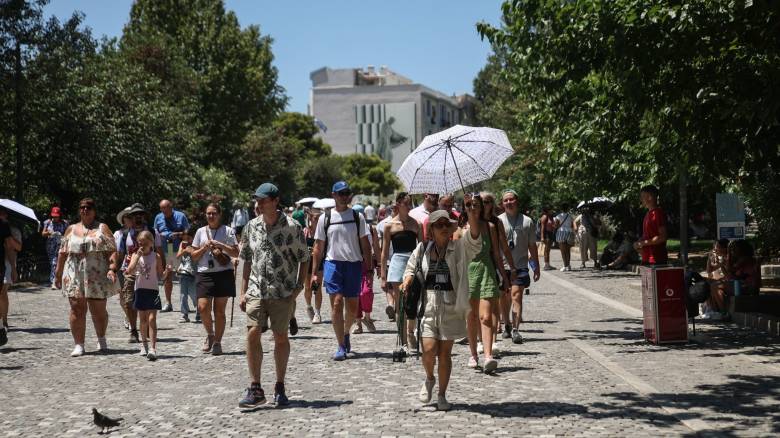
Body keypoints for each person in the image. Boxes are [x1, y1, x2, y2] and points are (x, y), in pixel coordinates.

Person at [400, 202, 482, 410]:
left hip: (451, 307)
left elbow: (475, 241)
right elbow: (411, 268)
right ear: (431, 230)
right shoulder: (422, 249)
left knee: (444, 354)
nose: (444, 228)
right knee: (428, 350)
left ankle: (442, 395)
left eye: (447, 224)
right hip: (428, 306)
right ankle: (429, 378)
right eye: (439, 224)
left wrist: (473, 215)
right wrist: (407, 279)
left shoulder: (459, 248)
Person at [238, 183, 310, 407]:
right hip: (256, 289)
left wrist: (298, 287)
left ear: (275, 201)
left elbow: (304, 258)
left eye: (263, 200)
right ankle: (255, 388)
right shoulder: (251, 227)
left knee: (280, 337)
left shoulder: (292, 227)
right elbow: (247, 259)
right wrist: (242, 292)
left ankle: (279, 385)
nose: (258, 204)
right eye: (257, 200)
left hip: (283, 291)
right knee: (252, 334)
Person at [311, 181, 372, 361]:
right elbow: (318, 247)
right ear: (334, 195)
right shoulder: (326, 218)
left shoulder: (357, 217)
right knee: (337, 303)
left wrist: (368, 268)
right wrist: (314, 272)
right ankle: (340, 345)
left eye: (347, 193)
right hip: (333, 264)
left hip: (354, 265)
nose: (345, 196)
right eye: (341, 193)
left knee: (352, 307)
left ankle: (346, 333)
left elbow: (365, 245)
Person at [55, 198, 118, 357]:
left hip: (96, 275)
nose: (85, 210)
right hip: (74, 274)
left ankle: (101, 338)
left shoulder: (102, 228)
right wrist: (57, 273)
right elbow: (62, 253)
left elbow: (112, 250)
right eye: (82, 207)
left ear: (94, 210)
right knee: (77, 308)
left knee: (98, 311)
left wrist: (112, 268)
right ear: (79, 210)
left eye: (88, 207)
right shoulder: (70, 229)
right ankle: (79, 344)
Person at [462, 195, 509, 372]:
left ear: (481, 207)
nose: (472, 207)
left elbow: (496, 253)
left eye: (475, 204)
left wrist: (504, 276)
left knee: (486, 316)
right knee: (472, 317)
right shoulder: (460, 229)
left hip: (487, 272)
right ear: (464, 207)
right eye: (468, 205)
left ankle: (488, 355)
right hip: (468, 274)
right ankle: (473, 354)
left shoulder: (490, 227)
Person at [111, 204, 164, 344]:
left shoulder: (153, 232)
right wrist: (114, 270)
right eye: (135, 215)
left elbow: (159, 251)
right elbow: (120, 253)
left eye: (141, 214)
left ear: (144, 216)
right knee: (128, 301)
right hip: (129, 270)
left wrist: (162, 269)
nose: (138, 217)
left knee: (146, 301)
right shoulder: (124, 234)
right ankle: (133, 330)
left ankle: (146, 329)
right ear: (131, 217)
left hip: (147, 271)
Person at [191, 203, 239, 356]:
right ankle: (210, 335)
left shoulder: (228, 231)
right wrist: (204, 248)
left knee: (219, 311)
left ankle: (217, 341)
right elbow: (193, 256)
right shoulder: (200, 232)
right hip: (204, 273)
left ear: (219, 214)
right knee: (203, 307)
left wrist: (220, 245)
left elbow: (236, 252)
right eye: (208, 213)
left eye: (214, 213)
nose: (211, 216)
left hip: (223, 273)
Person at [498, 189, 540, 344]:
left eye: (511, 199)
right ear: (502, 204)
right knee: (504, 297)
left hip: (520, 265)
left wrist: (536, 266)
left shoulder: (527, 221)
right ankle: (507, 324)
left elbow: (532, 246)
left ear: (517, 201)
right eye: (505, 200)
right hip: (502, 266)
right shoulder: (498, 221)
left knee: (516, 295)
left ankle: (516, 330)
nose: (509, 202)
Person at [380, 193, 422, 347]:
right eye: (406, 203)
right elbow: (384, 252)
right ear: (398, 204)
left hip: (413, 262)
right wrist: (383, 275)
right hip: (397, 263)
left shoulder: (416, 224)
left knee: (413, 301)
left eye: (410, 203)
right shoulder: (389, 226)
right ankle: (403, 340)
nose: (409, 206)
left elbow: (422, 247)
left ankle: (411, 332)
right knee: (400, 304)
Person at [480, 191, 516, 342]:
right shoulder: (472, 222)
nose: (485, 205)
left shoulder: (496, 222)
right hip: (476, 266)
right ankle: (481, 338)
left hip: (494, 264)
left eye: (488, 201)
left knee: (495, 301)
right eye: (482, 202)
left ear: (492, 204)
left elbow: (504, 247)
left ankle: (492, 338)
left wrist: (512, 267)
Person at [127, 231, 164, 360]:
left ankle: (153, 348)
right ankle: (144, 345)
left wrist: (168, 271)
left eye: (145, 243)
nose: (142, 245)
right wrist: (137, 257)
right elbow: (129, 270)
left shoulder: (156, 256)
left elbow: (161, 275)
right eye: (140, 243)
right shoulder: (135, 255)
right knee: (142, 321)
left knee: (152, 319)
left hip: (152, 290)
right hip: (140, 290)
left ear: (151, 243)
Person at [706, 240, 761, 319]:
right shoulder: (740, 259)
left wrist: (728, 256)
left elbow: (730, 272)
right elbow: (730, 275)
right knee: (710, 283)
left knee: (715, 286)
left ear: (742, 249)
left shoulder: (745, 259)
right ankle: (716, 311)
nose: (733, 251)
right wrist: (711, 259)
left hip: (748, 286)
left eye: (734, 249)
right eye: (731, 249)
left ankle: (724, 312)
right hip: (742, 284)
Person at [154, 199, 190, 312]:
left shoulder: (181, 216)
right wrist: (160, 236)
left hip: (180, 249)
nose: (163, 211)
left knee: (184, 275)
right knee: (167, 275)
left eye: (166, 208)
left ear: (171, 207)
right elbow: (154, 232)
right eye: (161, 208)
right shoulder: (158, 217)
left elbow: (188, 231)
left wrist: (178, 234)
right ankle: (168, 303)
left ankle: (185, 303)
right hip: (165, 250)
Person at [351, 204, 379, 335]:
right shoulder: (349, 228)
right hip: (353, 263)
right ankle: (358, 323)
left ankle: (367, 318)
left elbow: (376, 248)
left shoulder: (371, 229)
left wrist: (379, 265)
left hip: (367, 264)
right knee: (355, 293)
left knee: (366, 292)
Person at [635, 185, 668, 265]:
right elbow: (648, 235)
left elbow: (663, 237)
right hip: (647, 258)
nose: (641, 199)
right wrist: (638, 242)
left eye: (643, 196)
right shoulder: (648, 214)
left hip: (656, 259)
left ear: (650, 197)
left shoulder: (657, 214)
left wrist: (643, 243)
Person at [303, 207, 324, 323]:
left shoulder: (322, 232)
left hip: (319, 261)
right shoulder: (305, 232)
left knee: (317, 287)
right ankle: (308, 306)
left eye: (319, 218)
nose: (318, 220)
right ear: (311, 218)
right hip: (307, 262)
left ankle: (317, 313)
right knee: (307, 288)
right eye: (316, 218)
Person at [1, 216, 21, 332]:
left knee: (2, 291)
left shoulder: (12, 230)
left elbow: (17, 247)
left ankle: (4, 321)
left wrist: (13, 269)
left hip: (6, 263)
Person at [42, 206, 68, 289]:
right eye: (53, 216)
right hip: (50, 246)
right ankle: (54, 281)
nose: (55, 218)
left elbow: (69, 234)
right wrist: (49, 233)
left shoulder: (65, 223)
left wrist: (62, 236)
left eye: (56, 216)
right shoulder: (48, 222)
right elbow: (43, 233)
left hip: (61, 245)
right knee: (53, 263)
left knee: (58, 263)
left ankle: (56, 281)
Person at [176, 229, 199, 323]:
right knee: (183, 295)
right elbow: (177, 256)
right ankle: (184, 314)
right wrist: (184, 250)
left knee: (194, 294)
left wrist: (192, 251)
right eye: (185, 238)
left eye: (189, 238)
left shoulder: (197, 244)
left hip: (194, 272)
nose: (187, 240)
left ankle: (200, 312)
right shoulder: (182, 244)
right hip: (183, 272)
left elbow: (198, 257)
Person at [0, 209, 11, 346]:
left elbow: (9, 244)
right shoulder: (3, 224)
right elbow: (9, 244)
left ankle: (1, 331)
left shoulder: (3, 225)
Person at [554, 204, 576, 271]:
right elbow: (572, 225)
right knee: (568, 250)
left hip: (561, 232)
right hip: (569, 232)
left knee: (563, 250)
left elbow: (556, 226)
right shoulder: (570, 216)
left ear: (561, 209)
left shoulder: (558, 216)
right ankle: (568, 265)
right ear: (567, 209)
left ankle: (565, 265)